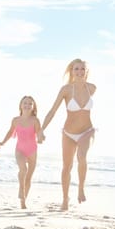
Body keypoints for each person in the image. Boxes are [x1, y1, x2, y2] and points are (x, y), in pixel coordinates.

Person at [39, 58, 96, 211]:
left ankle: (81, 188)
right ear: (71, 71)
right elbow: (52, 111)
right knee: (66, 167)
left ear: (86, 71)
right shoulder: (66, 90)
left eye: (82, 69)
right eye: (76, 69)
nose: (79, 72)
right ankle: (65, 199)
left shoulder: (92, 88)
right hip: (69, 133)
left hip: (87, 131)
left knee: (82, 157)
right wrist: (41, 129)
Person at [0, 96, 42, 209]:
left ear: (33, 107)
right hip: (20, 149)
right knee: (23, 169)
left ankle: (23, 202)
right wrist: (3, 142)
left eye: (30, 104)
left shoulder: (35, 120)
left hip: (32, 150)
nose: (27, 105)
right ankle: (21, 189)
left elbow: (39, 132)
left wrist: (41, 138)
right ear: (21, 105)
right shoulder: (15, 120)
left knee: (29, 177)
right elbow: (10, 132)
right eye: (25, 103)